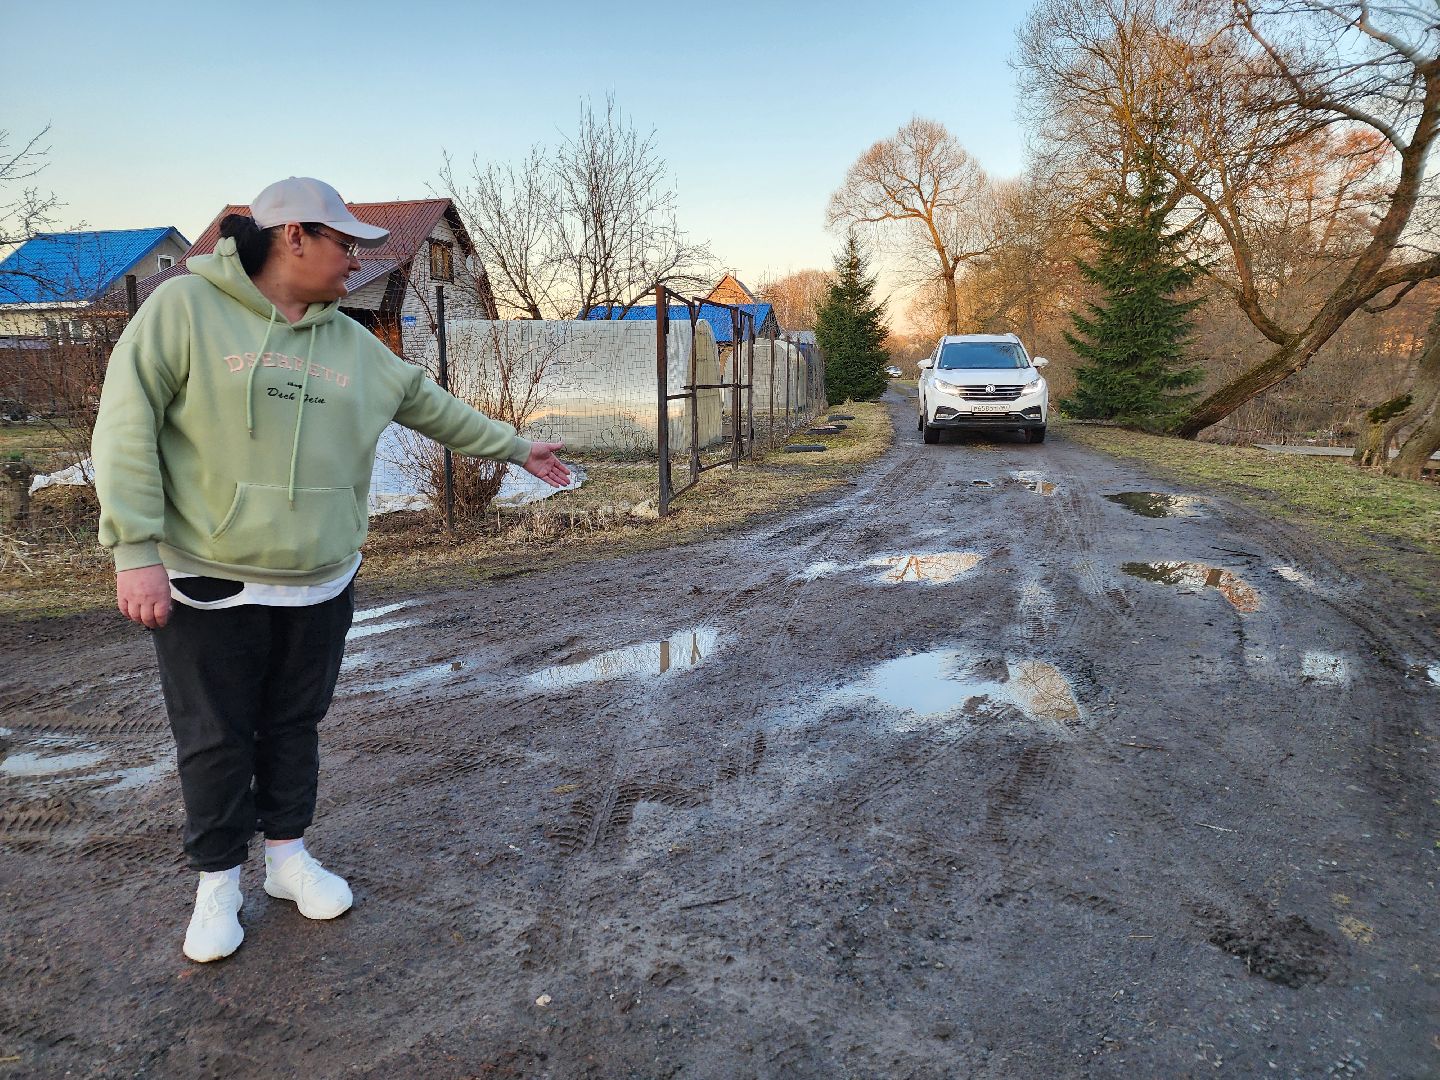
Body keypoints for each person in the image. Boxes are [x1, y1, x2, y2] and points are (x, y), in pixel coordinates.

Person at [91, 176, 570, 963]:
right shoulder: (181, 313)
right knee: (215, 735)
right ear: (293, 237)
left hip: (318, 577)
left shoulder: (349, 340)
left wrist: (518, 448)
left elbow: (428, 403)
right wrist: (134, 549)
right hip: (208, 573)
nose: (355, 260)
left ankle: (286, 860)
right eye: (345, 244)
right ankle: (218, 885)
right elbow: (126, 427)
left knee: (293, 725)